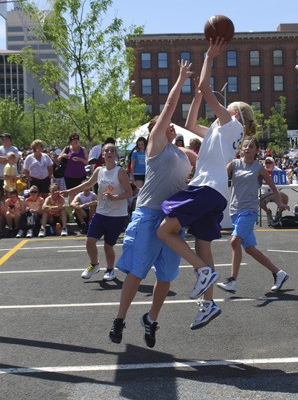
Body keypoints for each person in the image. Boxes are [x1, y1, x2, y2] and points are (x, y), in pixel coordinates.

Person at [157, 38, 257, 330]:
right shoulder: (219, 129)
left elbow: (203, 88)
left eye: (229, 106)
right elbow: (189, 121)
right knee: (204, 246)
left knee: (164, 230)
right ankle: (208, 303)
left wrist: (209, 57)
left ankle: (202, 272)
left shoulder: (231, 125)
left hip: (206, 188)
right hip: (215, 193)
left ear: (236, 113)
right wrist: (194, 87)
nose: (225, 107)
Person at [109, 60, 197, 348]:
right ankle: (120, 318)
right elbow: (170, 105)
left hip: (172, 219)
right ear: (156, 130)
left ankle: (151, 319)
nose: (170, 125)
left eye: (170, 124)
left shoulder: (183, 154)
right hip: (149, 214)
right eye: (164, 123)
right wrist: (181, 78)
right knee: (137, 271)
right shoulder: (156, 146)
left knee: (167, 276)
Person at [217, 138, 289, 295]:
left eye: (251, 146)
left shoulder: (258, 168)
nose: (247, 148)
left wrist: (280, 203)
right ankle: (279, 273)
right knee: (249, 249)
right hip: (235, 211)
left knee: (235, 242)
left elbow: (274, 189)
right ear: (241, 149)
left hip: (249, 211)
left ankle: (232, 281)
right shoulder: (234, 164)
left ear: (256, 150)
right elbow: (219, 178)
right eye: (245, 146)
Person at [61, 143, 132, 281]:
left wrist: (115, 197)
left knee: (108, 245)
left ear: (115, 154)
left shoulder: (120, 171)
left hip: (117, 215)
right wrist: (70, 191)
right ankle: (94, 265)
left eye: (112, 150)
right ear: (103, 155)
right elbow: (88, 184)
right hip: (101, 212)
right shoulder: (99, 170)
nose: (109, 152)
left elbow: (129, 192)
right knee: (90, 241)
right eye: (107, 150)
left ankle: (110, 270)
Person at [57, 133, 88, 201]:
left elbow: (87, 162)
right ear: (70, 141)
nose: (76, 140)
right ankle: (70, 208)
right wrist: (63, 155)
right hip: (69, 175)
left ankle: (79, 208)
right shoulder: (67, 148)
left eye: (77, 139)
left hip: (81, 175)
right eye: (73, 139)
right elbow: (58, 159)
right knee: (70, 193)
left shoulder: (83, 149)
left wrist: (80, 159)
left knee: (81, 193)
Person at [259, 157, 289, 225]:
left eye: (270, 162)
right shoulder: (261, 170)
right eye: (266, 162)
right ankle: (268, 212)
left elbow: (286, 181)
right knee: (258, 201)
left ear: (273, 164)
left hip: (275, 193)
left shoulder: (278, 170)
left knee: (285, 197)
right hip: (265, 193)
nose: (268, 164)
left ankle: (279, 213)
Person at [0, 133, 20, 200]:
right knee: (2, 195)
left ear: (10, 139)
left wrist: (3, 159)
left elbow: (14, 160)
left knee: (13, 195)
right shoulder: (0, 148)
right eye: (2, 139)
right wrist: (8, 158)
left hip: (12, 177)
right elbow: (10, 160)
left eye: (5, 139)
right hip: (1, 175)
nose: (3, 140)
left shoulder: (14, 149)